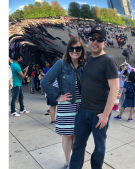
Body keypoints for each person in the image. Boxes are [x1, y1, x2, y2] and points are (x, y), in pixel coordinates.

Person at [70, 26, 119, 169]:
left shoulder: (108, 61)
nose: (95, 42)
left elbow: (114, 88)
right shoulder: (88, 59)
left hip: (99, 114)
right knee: (78, 145)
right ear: (88, 40)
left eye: (99, 39)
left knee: (99, 147)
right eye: (92, 38)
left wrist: (105, 115)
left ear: (105, 42)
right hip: (83, 111)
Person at [42, 37, 86, 169]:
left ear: (82, 50)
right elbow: (45, 82)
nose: (74, 51)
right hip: (67, 106)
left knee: (76, 136)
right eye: (71, 48)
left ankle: (74, 161)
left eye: (78, 48)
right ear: (68, 50)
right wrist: (57, 97)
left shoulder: (85, 65)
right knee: (67, 135)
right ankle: (68, 162)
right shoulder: (61, 64)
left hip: (81, 106)